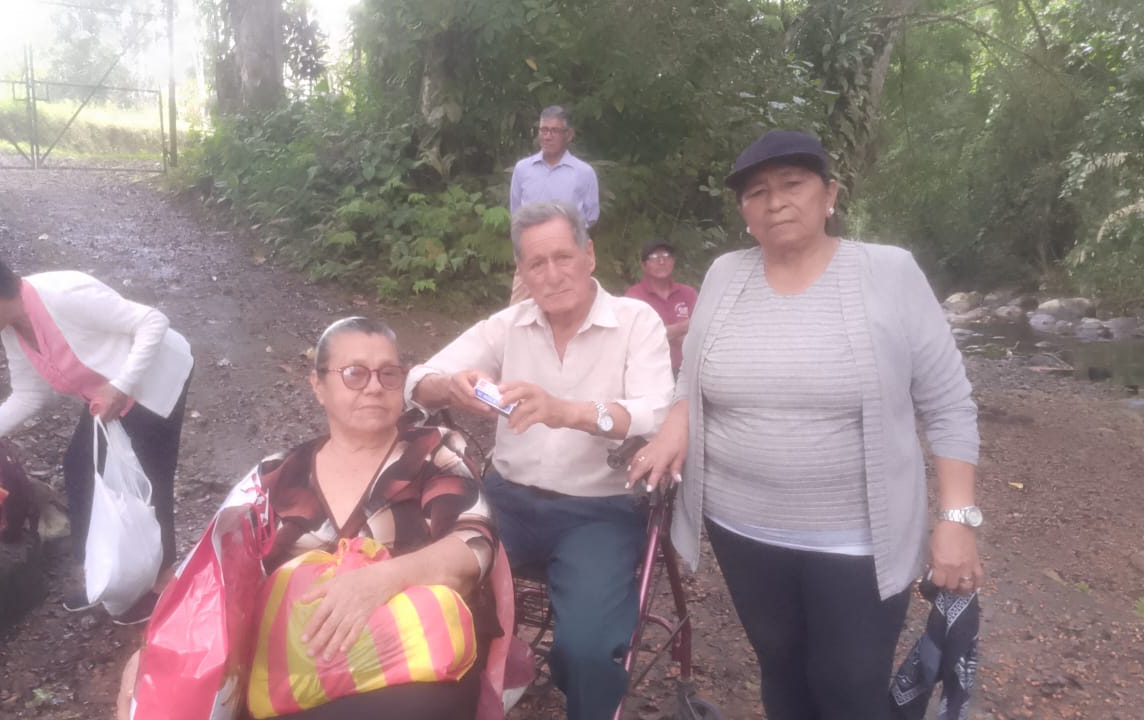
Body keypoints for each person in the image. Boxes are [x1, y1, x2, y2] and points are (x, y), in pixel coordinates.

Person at [629, 130, 983, 720]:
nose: (776, 202)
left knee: (849, 685)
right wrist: (674, 424)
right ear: (744, 213)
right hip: (742, 528)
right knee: (781, 669)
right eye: (757, 192)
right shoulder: (724, 275)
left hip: (858, 537)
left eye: (793, 184)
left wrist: (957, 519)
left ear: (830, 194)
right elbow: (692, 373)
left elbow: (948, 402)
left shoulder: (888, 272)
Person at [407, 201, 674, 720]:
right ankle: (470, 692)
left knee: (588, 650)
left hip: (601, 509)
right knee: (431, 597)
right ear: (522, 272)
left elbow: (655, 412)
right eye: (536, 263)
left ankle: (569, 683)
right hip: (507, 501)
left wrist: (565, 411)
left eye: (563, 257)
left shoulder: (634, 320)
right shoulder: (510, 325)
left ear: (589, 255)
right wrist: (453, 385)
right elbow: (419, 379)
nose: (552, 275)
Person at [186, 317, 495, 720]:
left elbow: (472, 546)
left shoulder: (434, 454)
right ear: (318, 386)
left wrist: (382, 580)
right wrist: (155, 652)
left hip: (411, 667)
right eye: (354, 373)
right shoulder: (277, 475)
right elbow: (211, 577)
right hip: (289, 670)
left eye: (388, 374)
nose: (374, 386)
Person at [0, 252, 194, 625]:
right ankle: (96, 572)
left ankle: (161, 583)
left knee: (148, 480)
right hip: (108, 392)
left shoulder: (64, 294)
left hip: (152, 381)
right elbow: (28, 396)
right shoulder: (14, 330)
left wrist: (121, 385)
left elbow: (153, 321)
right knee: (80, 466)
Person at [507, 106, 600, 304]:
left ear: (569, 135)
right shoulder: (523, 169)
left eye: (554, 131)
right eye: (543, 130)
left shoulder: (583, 173)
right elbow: (516, 212)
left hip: (568, 256)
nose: (547, 136)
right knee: (519, 311)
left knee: (570, 307)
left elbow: (591, 215)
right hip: (532, 255)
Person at [624, 240, 698, 375]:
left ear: (673, 262)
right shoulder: (634, 296)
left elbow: (700, 334)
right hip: (650, 372)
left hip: (687, 370)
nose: (662, 261)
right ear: (643, 265)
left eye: (666, 256)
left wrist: (662, 334)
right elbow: (639, 338)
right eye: (654, 257)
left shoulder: (689, 293)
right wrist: (684, 327)